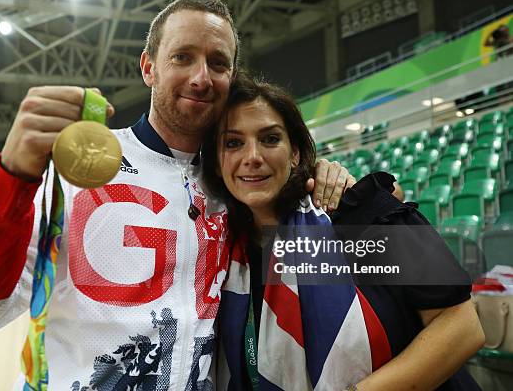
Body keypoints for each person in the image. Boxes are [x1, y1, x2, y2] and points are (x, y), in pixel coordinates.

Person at [0, 0, 354, 391]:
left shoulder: (238, 186)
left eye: (218, 63)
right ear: (148, 67)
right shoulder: (74, 172)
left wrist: (319, 178)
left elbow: (401, 263)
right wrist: (12, 177)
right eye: (182, 57)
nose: (201, 77)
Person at [201, 72, 485, 390]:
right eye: (233, 143)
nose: (252, 157)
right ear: (216, 163)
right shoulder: (222, 253)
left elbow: (462, 325)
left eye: (270, 139)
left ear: (294, 152)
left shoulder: (361, 215)